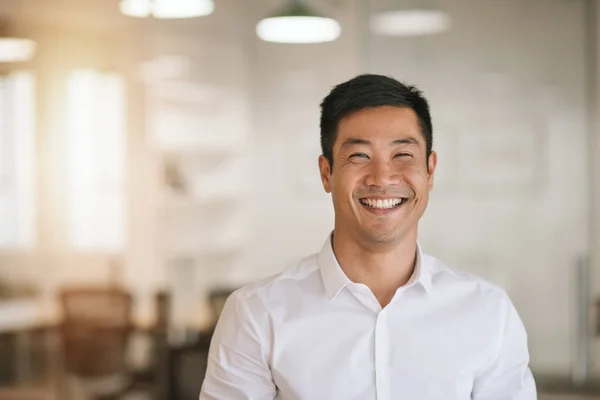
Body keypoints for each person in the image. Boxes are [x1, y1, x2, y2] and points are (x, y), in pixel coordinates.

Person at [199, 74, 537, 400]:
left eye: (403, 155)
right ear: (326, 172)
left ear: (430, 171)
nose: (382, 177)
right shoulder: (257, 315)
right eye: (359, 156)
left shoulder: (488, 312)